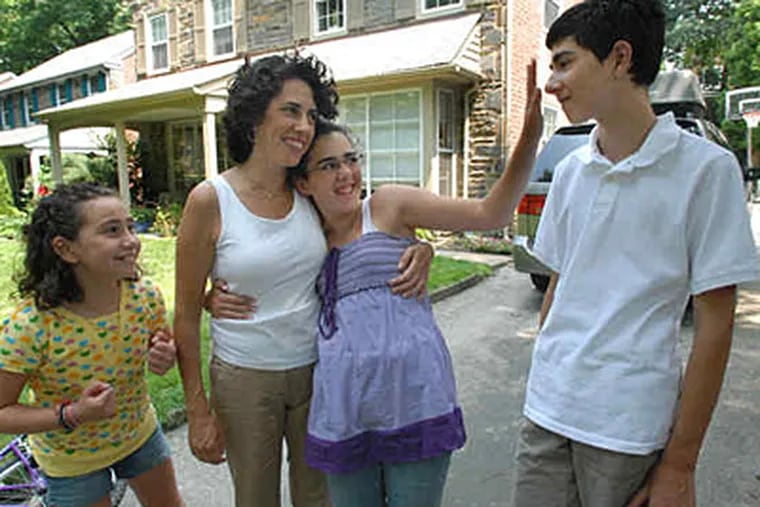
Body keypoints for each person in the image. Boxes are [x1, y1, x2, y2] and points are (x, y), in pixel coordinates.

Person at [208, 60, 542, 506]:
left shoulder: (387, 206)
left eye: (351, 160)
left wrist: (530, 139)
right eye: (328, 166)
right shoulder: (304, 235)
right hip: (344, 412)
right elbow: (261, 268)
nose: (346, 174)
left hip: (414, 400)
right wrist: (212, 298)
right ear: (304, 184)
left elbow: (491, 215)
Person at [511, 1, 760, 506]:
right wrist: (549, 363)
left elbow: (715, 326)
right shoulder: (571, 172)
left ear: (620, 58)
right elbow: (560, 283)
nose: (552, 82)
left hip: (626, 431)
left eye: (564, 62)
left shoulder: (706, 171)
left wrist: (680, 464)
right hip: (546, 414)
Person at [173, 52, 433, 507]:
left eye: (311, 115)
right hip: (246, 376)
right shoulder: (211, 200)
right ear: (254, 117)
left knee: (319, 497)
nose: (304, 126)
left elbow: (359, 233)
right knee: (256, 499)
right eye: (290, 111)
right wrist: (197, 409)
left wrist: (420, 248)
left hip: (319, 369)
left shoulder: (308, 190)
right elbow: (185, 313)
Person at [0, 182, 183, 507]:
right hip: (72, 461)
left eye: (129, 226)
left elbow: (162, 350)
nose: (131, 240)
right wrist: (72, 414)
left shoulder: (145, 296)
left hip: (139, 435)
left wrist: (164, 356)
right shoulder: (31, 326)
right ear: (66, 249)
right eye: (112, 231)